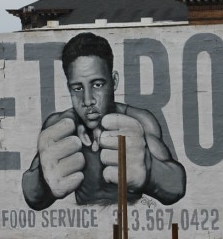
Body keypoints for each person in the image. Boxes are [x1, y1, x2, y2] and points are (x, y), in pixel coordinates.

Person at [22, 32, 186, 211]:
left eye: (97, 85)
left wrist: (150, 171)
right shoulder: (59, 127)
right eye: (77, 88)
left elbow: (176, 186)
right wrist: (43, 182)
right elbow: (32, 195)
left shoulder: (138, 121)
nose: (87, 100)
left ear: (114, 81)